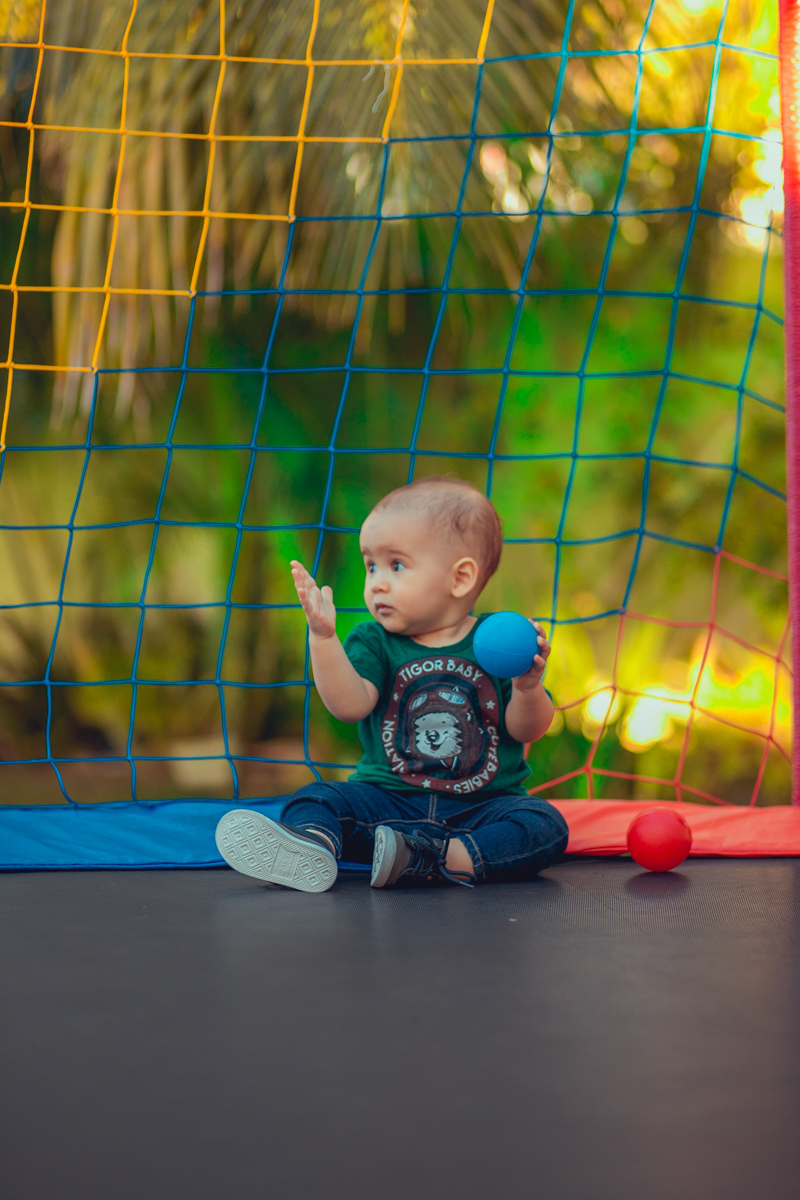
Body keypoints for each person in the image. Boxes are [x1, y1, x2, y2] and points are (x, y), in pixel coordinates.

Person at [215, 476, 568, 891]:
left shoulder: (498, 641)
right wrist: (323, 638)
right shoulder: (373, 641)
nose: (377, 582)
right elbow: (350, 706)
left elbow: (528, 730)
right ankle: (312, 848)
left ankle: (443, 860)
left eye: (396, 565)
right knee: (317, 799)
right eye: (370, 566)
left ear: (460, 579)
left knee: (545, 825)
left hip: (480, 810)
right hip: (385, 806)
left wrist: (527, 687)